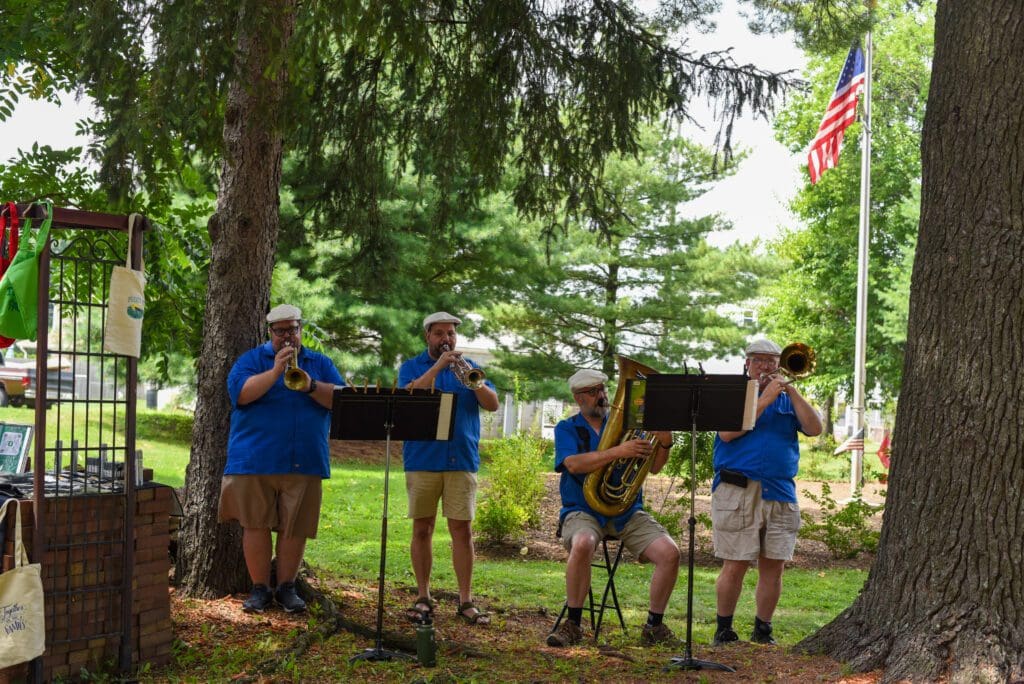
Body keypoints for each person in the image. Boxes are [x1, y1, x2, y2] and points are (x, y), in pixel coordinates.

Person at [218, 304, 345, 613]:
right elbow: (241, 394)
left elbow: (342, 399)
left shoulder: (320, 362)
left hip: (304, 459)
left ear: (300, 329)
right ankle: (260, 588)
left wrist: (310, 385)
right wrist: (276, 371)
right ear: (270, 332)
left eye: (294, 329)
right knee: (255, 525)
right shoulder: (250, 361)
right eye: (281, 331)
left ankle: (287, 587)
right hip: (254, 459)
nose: (288, 336)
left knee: (295, 527)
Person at [546, 368, 681, 648]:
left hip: (626, 511)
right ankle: (573, 624)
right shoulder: (567, 428)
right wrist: (618, 452)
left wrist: (665, 440)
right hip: (583, 509)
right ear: (578, 397)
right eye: (593, 392)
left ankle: (653, 626)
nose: (601, 396)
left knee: (670, 553)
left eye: (603, 390)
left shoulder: (627, 427)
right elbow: (572, 464)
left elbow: (654, 467)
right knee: (582, 543)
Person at [710, 338, 823, 646]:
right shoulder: (734, 394)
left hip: (781, 491)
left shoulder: (787, 397)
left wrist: (793, 391)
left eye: (772, 360)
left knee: (774, 566)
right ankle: (724, 629)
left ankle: (763, 629)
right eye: (758, 360)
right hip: (737, 489)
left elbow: (815, 429)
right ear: (746, 363)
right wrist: (763, 400)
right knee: (735, 563)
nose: (766, 366)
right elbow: (727, 433)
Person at [399, 311, 500, 626]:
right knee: (422, 528)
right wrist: (438, 367)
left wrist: (473, 381)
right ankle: (423, 596)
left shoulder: (469, 367)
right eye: (440, 334)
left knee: (462, 531)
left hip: (461, 458)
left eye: (451, 334)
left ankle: (466, 600)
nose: (446, 339)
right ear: (427, 336)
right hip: (423, 458)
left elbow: (493, 403)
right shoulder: (411, 367)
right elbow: (408, 397)